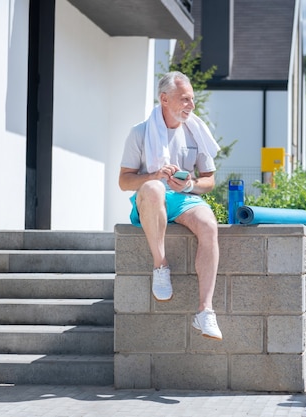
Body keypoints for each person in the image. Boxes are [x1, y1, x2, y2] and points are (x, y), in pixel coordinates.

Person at [119, 71, 223, 340]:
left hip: (183, 198)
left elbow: (209, 181)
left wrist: (189, 184)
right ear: (164, 99)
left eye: (192, 100)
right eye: (184, 99)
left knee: (209, 225)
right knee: (154, 188)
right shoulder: (140, 132)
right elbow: (124, 181)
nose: (191, 105)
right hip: (149, 199)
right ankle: (160, 265)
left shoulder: (196, 132)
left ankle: (204, 312)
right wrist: (154, 176)